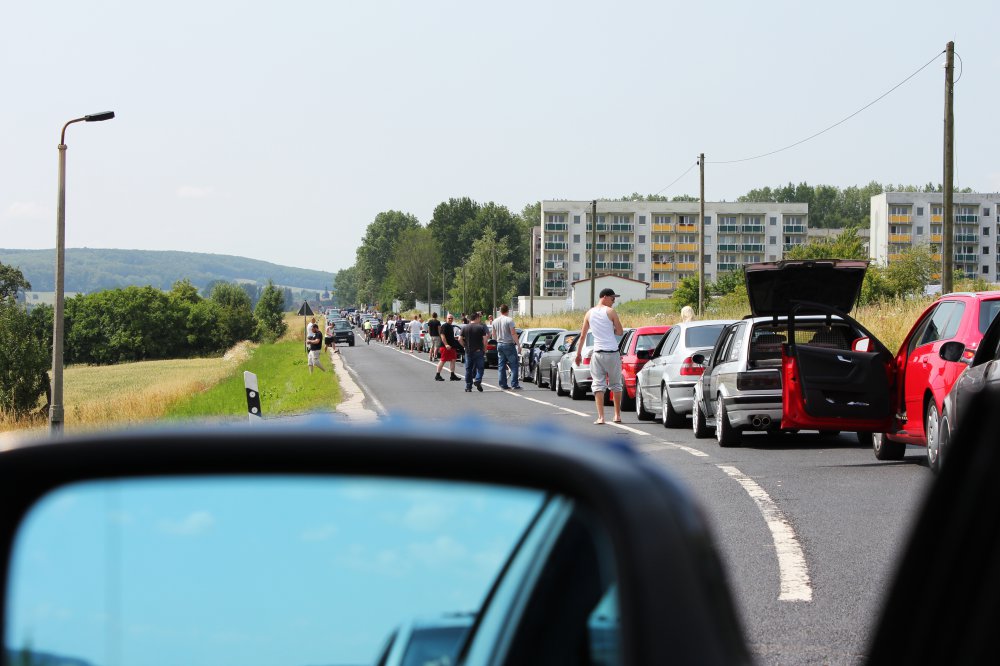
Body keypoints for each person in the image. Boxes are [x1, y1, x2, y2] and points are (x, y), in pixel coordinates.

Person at [575, 288, 625, 424]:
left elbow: (583, 336)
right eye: (612, 298)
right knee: (616, 384)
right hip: (612, 353)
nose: (614, 301)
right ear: (605, 297)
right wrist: (612, 329)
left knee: (598, 385)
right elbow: (620, 332)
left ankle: (601, 417)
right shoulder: (610, 312)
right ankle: (617, 415)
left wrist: (578, 354)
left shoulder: (589, 313)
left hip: (597, 353)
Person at [492, 304, 522, 390]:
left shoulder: (495, 321)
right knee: (514, 365)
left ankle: (503, 384)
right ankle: (514, 384)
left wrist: (497, 339)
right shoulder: (509, 320)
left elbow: (493, 335)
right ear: (508, 311)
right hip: (508, 344)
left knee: (501, 365)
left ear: (500, 311)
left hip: (499, 344)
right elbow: (513, 333)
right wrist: (518, 345)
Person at [459, 312, 489, 392]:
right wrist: (484, 349)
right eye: (479, 318)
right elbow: (485, 339)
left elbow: (459, 339)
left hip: (468, 351)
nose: (479, 319)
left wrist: (464, 345)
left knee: (468, 369)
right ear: (476, 318)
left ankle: (468, 387)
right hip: (478, 351)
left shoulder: (465, 328)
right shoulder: (480, 327)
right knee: (480, 368)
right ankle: (478, 380)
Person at [435, 313, 462, 382]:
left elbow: (449, 336)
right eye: (449, 318)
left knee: (453, 360)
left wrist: (455, 338)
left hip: (451, 346)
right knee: (443, 360)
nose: (450, 319)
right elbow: (442, 336)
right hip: (445, 347)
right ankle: (437, 375)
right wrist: (446, 344)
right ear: (446, 319)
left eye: (451, 318)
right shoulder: (444, 326)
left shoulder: (450, 326)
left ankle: (452, 375)